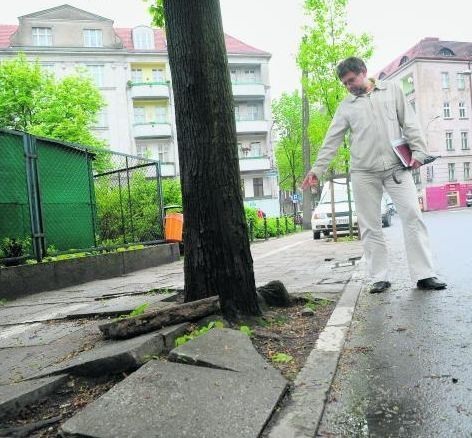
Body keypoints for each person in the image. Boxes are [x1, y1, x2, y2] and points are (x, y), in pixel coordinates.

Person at [302, 57, 446, 293]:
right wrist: (317, 169)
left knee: (413, 217)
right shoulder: (346, 106)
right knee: (369, 225)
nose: (349, 86)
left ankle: (425, 274)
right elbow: (332, 140)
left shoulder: (392, 90)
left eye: (351, 80)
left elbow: (409, 123)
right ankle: (379, 277)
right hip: (363, 173)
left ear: (363, 72)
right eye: (345, 83)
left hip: (396, 168)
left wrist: (419, 151)